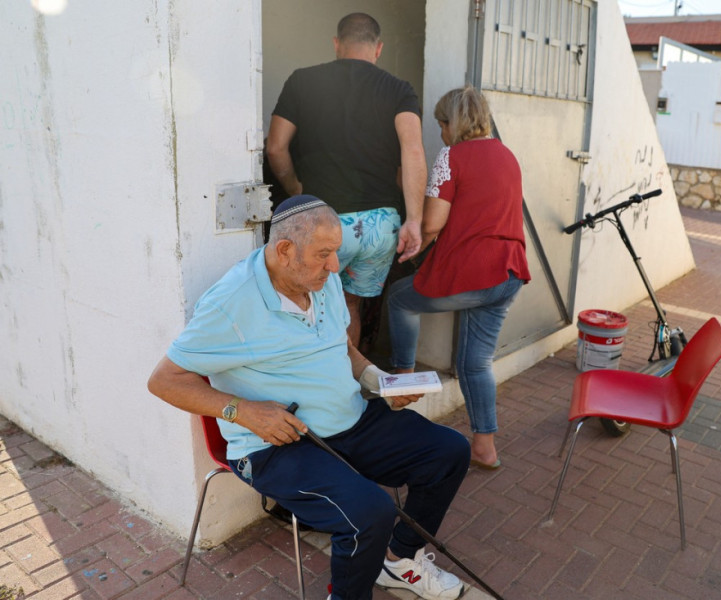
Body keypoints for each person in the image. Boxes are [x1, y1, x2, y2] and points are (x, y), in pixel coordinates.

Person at [147, 195, 469, 600]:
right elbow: (164, 381)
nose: (335, 266)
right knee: (370, 512)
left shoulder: (321, 278)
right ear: (285, 251)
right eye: (324, 255)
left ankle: (400, 561)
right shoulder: (231, 303)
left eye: (335, 252)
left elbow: (340, 346)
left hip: (351, 420)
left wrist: (376, 378)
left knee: (448, 451)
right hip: (276, 446)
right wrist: (242, 411)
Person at [387, 87, 531, 471]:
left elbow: (432, 222)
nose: (441, 134)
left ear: (455, 123)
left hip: (473, 274)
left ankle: (403, 378)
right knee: (475, 362)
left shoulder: (452, 156)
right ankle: (485, 446)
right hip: (509, 274)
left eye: (441, 124)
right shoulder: (507, 155)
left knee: (400, 298)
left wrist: (413, 242)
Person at [266, 12, 427, 348]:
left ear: (337, 43)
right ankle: (348, 386)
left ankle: (311, 388)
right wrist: (414, 220)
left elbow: (276, 147)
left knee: (303, 306)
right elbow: (413, 152)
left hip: (322, 222)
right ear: (378, 48)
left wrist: (296, 190)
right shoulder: (399, 90)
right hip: (379, 226)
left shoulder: (302, 81)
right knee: (350, 305)